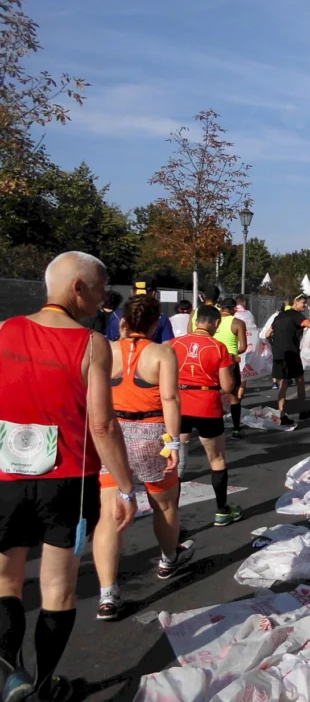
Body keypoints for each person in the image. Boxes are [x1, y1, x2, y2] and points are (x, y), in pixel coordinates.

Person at [0, 252, 137, 702]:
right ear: (77, 288)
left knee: (6, 581)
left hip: (7, 473)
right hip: (68, 480)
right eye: (100, 292)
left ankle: (10, 671)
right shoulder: (92, 344)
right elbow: (103, 425)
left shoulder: (6, 331)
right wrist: (126, 486)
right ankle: (43, 686)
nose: (103, 303)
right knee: (58, 588)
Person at [94, 295, 193, 622]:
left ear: (123, 320)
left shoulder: (105, 350)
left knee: (110, 514)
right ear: (155, 323)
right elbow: (170, 398)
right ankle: (167, 559)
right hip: (152, 434)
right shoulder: (163, 352)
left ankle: (107, 593)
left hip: (114, 432)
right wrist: (175, 443)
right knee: (164, 504)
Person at [170, 305, 243, 528]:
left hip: (179, 405)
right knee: (217, 459)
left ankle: (170, 514)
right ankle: (222, 510)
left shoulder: (174, 344)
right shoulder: (218, 347)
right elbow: (227, 385)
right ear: (214, 323)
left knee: (177, 461)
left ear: (195, 322)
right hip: (207, 405)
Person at [266, 295, 310, 426]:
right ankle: (302, 410)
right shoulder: (297, 316)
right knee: (300, 381)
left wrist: (274, 344)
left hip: (279, 353)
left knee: (283, 385)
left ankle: (282, 414)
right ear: (295, 303)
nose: (305, 306)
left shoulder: (278, 316)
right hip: (292, 353)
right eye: (303, 303)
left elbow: (268, 334)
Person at [215, 298, 248, 439]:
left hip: (213, 360)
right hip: (230, 361)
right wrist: (234, 354)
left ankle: (215, 429)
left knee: (214, 395)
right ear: (234, 309)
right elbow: (243, 347)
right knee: (233, 397)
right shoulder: (238, 323)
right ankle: (236, 430)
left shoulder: (213, 321)